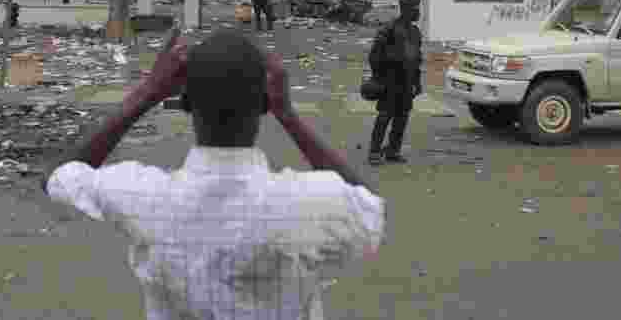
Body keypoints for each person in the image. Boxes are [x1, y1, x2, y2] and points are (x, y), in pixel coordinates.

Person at [43, 29, 385, 320]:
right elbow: (369, 209)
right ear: (267, 102)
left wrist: (147, 93)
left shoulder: (143, 196)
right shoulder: (304, 203)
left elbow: (60, 176)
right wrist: (290, 117)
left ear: (186, 102)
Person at [367, 0, 422, 165]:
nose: (418, 12)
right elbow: (374, 56)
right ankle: (374, 152)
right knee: (385, 116)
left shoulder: (415, 32)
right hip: (390, 81)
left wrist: (417, 82)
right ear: (406, 10)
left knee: (402, 118)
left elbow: (417, 59)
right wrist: (379, 77)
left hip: (407, 82)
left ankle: (393, 151)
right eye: (415, 9)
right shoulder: (389, 29)